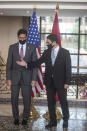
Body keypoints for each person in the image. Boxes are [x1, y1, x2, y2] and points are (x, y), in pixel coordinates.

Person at [16, 34, 71, 129]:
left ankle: (66, 120)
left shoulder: (65, 53)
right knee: (50, 103)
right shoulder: (46, 52)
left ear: (54, 42)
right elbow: (37, 63)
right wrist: (26, 64)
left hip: (62, 83)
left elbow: (68, 68)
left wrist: (67, 82)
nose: (47, 44)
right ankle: (52, 122)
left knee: (63, 102)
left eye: (48, 43)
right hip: (49, 82)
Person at [6, 29, 38, 125]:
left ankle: (25, 118)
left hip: (27, 78)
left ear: (26, 37)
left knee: (27, 99)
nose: (22, 39)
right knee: (14, 98)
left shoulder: (32, 47)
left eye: (24, 38)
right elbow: (9, 64)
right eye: (20, 38)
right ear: (18, 37)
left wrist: (33, 79)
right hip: (14, 78)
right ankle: (16, 117)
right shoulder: (12, 47)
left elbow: (34, 65)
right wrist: (8, 78)